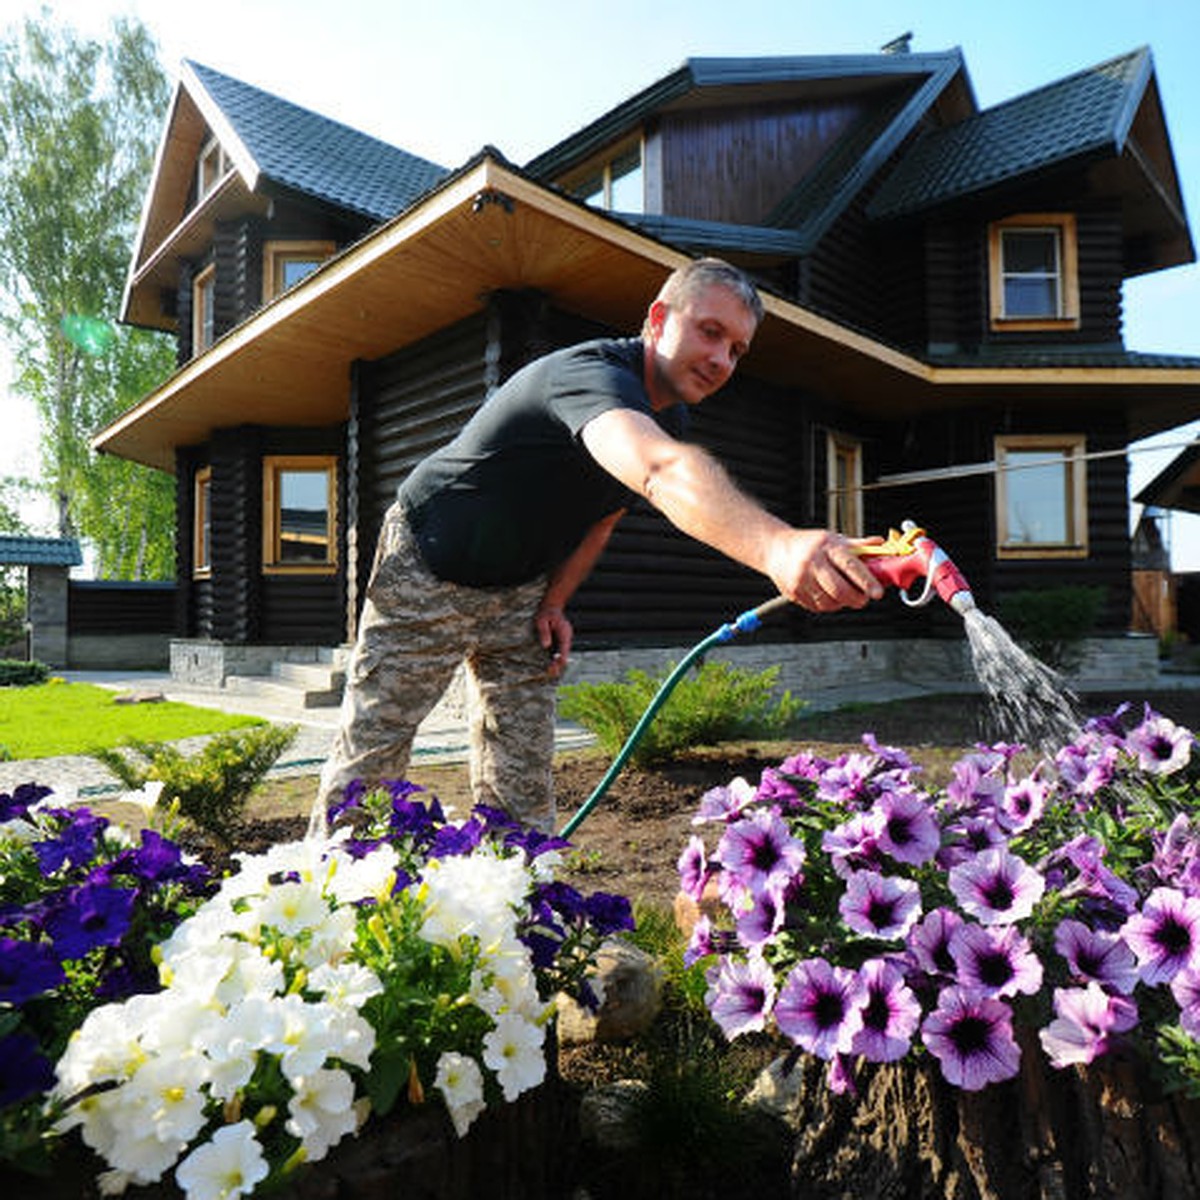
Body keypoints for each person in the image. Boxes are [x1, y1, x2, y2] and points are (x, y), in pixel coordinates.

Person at [316, 257, 883, 829]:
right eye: (710, 332)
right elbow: (658, 471)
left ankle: (516, 897)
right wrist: (777, 548)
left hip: (522, 588)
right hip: (430, 559)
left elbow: (602, 519)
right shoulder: (590, 377)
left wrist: (556, 600)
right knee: (375, 749)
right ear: (658, 320)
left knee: (523, 767)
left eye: (737, 350)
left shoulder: (672, 419)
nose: (720, 359)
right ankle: (325, 901)